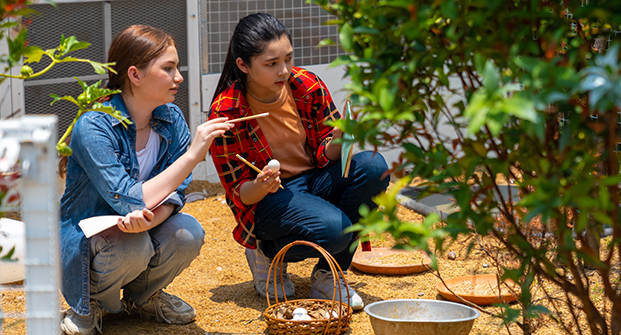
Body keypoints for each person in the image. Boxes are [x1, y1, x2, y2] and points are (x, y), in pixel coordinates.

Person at [59, 25, 233, 335]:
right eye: (168, 68)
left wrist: (153, 220)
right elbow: (127, 198)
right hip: (93, 238)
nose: (179, 76)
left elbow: (176, 190)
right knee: (132, 243)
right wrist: (193, 155)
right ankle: (91, 303)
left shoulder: (171, 117)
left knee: (188, 232)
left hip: (141, 227)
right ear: (135, 75)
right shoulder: (94, 126)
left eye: (176, 67)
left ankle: (143, 299)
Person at [208, 13, 388, 311]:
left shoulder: (306, 85)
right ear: (243, 65)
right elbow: (239, 194)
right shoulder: (227, 113)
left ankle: (329, 275)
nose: (284, 70)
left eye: (288, 59)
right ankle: (266, 252)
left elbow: (327, 154)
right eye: (271, 64)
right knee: (334, 230)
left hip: (314, 180)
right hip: (269, 198)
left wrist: (344, 136)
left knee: (373, 167)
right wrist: (261, 185)